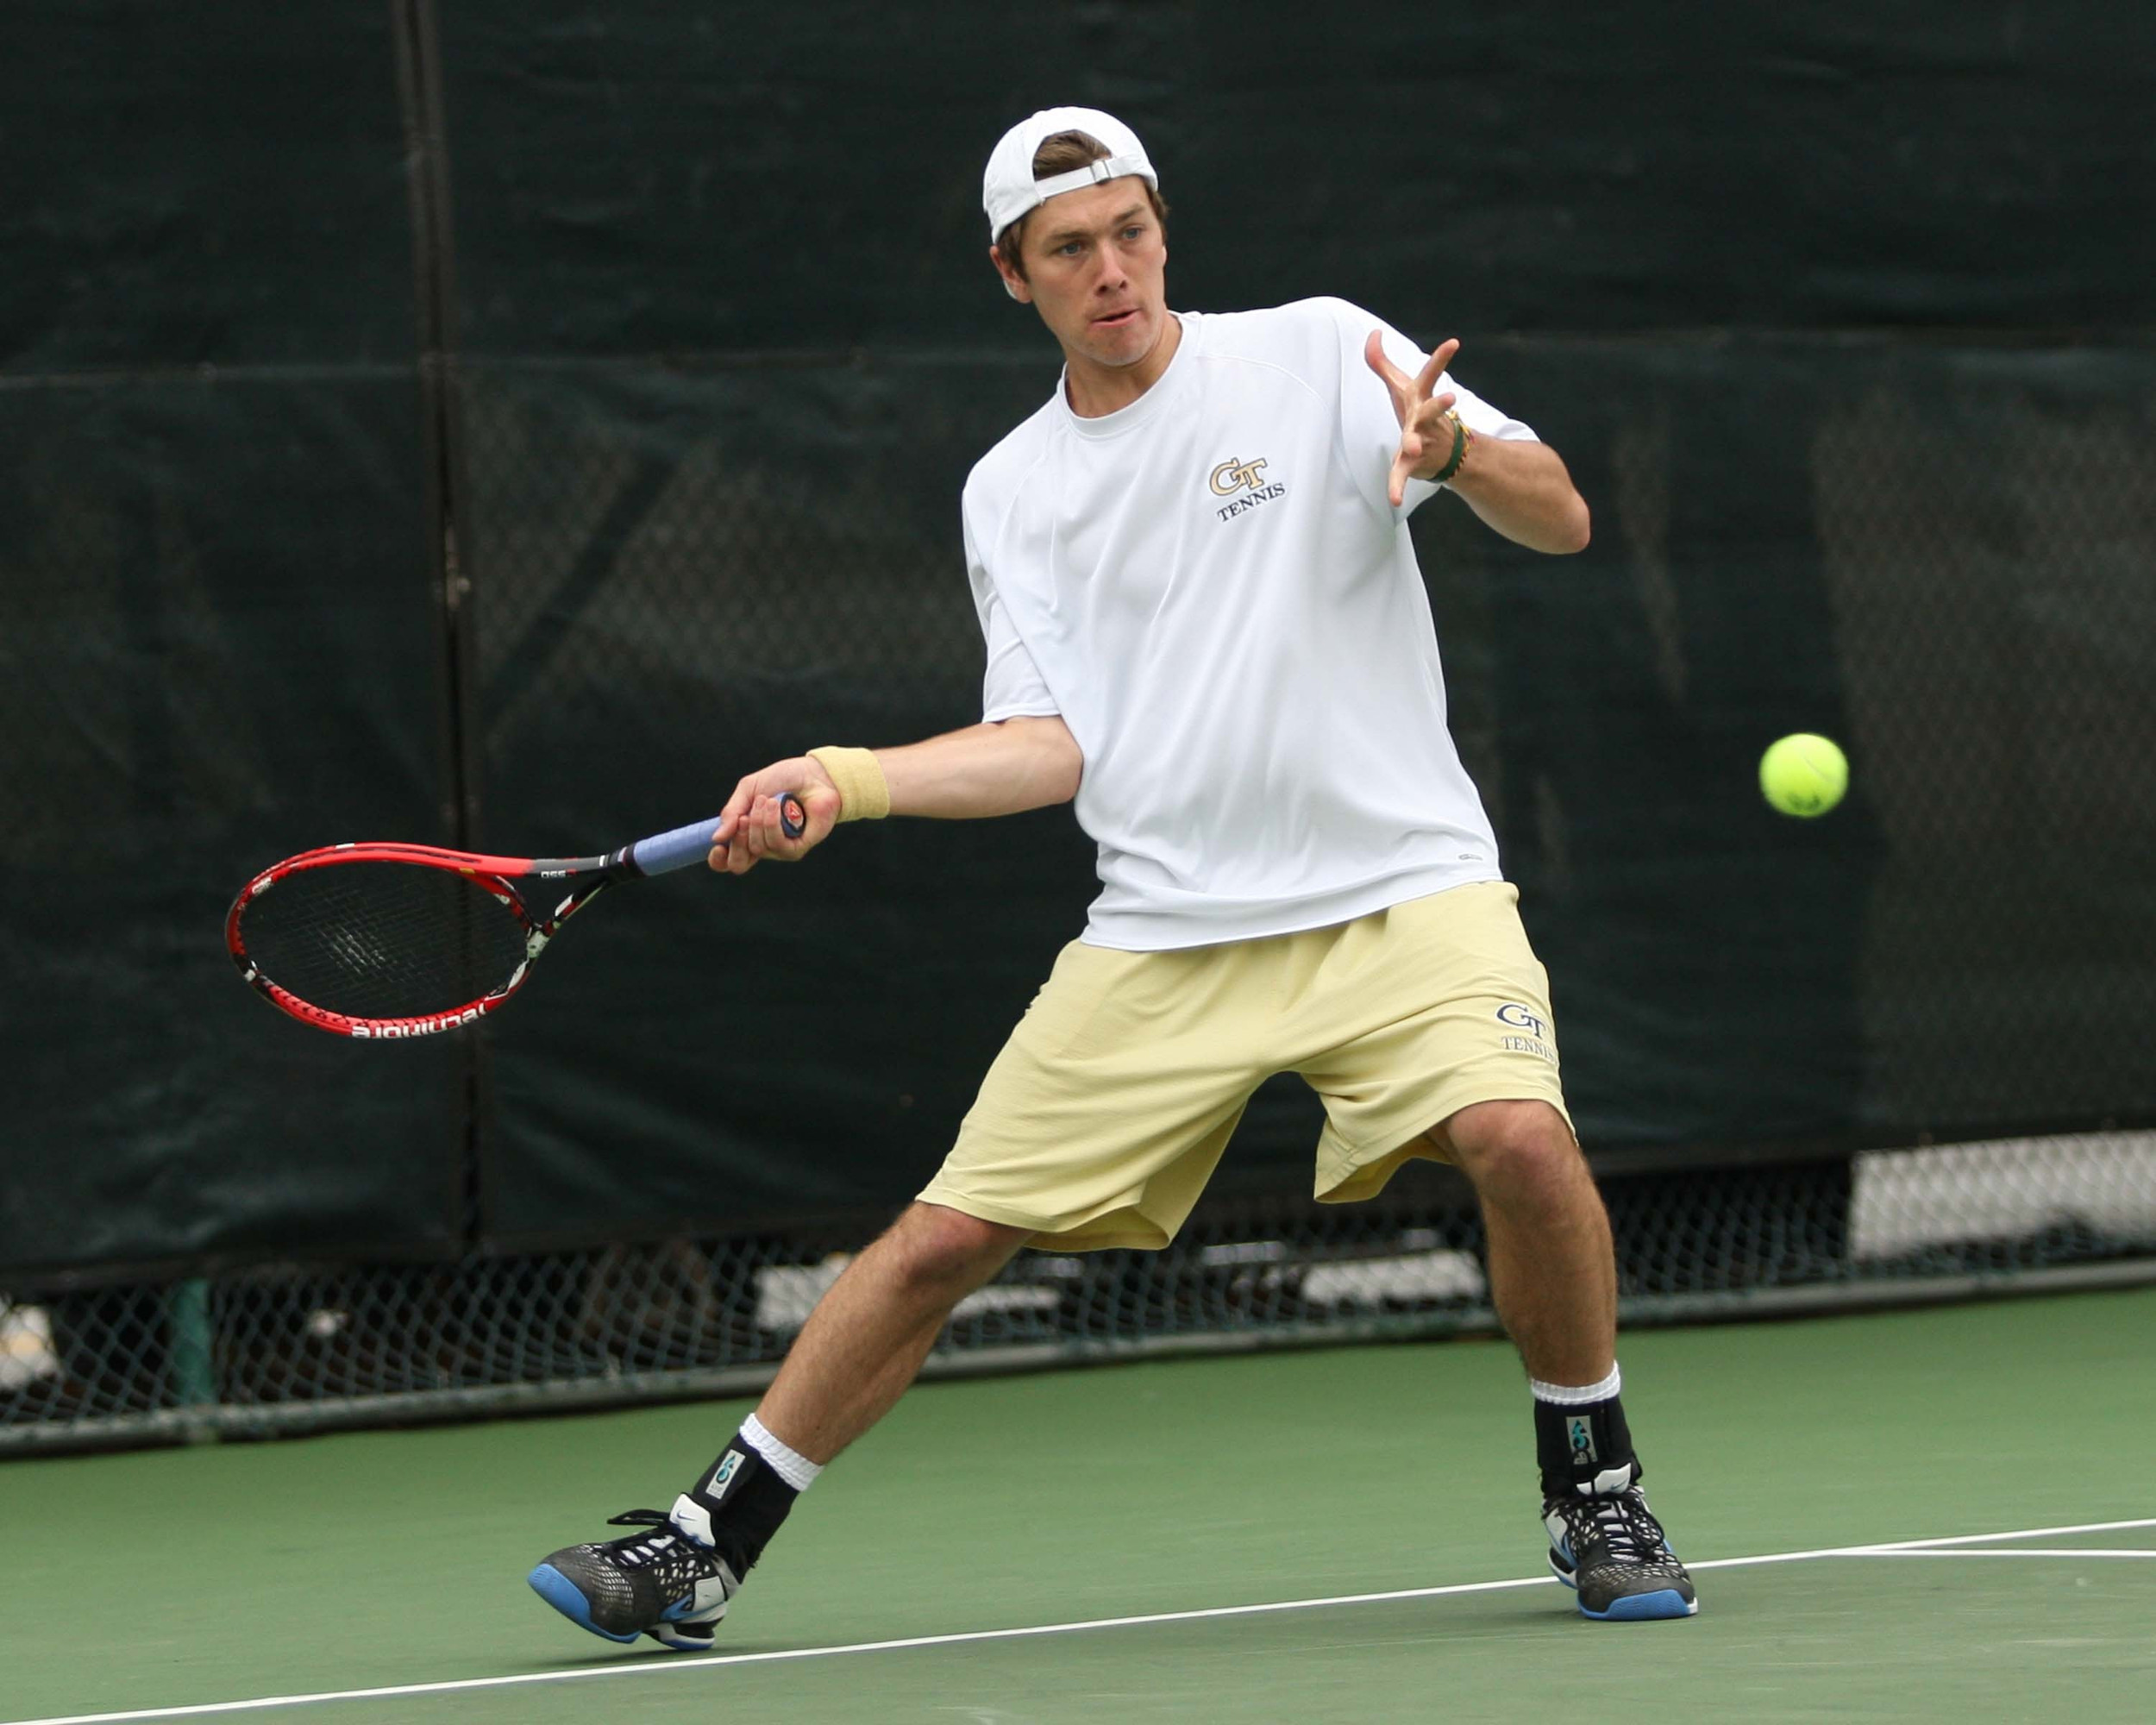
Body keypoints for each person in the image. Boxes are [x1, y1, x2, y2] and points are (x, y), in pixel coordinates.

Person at [526, 105, 1695, 1651]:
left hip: (1405, 889)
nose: (1112, 270)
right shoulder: (1012, 491)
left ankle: (1594, 1484)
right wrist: (848, 780)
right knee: (943, 1239)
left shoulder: (1321, 354)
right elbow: (1048, 745)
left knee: (1521, 1141)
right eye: (1070, 248)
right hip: (1167, 931)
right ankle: (700, 1550)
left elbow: (1565, 517)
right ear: (1013, 274)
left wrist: (1460, 453)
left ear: (1162, 230)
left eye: (1131, 232)